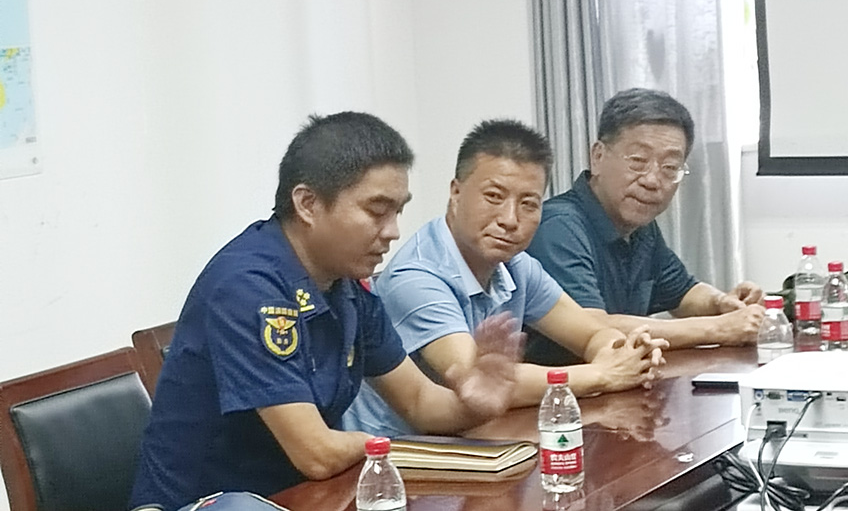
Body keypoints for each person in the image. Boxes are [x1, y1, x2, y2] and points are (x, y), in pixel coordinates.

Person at [130, 113, 524, 510]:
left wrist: (473, 402)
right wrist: (388, 447)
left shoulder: (344, 285)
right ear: (308, 204)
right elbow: (316, 454)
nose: (393, 231)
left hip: (307, 498)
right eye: (377, 210)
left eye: (398, 212)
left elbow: (419, 401)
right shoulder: (247, 287)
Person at [343, 119, 666, 438]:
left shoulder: (516, 265)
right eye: (494, 197)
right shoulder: (415, 276)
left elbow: (590, 332)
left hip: (476, 436)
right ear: (456, 193)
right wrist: (603, 374)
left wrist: (625, 353)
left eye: (528, 204)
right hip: (400, 451)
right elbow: (479, 380)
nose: (510, 220)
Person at [525, 88, 764, 366]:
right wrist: (720, 328)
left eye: (670, 167)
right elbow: (592, 326)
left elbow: (684, 294)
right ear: (598, 156)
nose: (652, 180)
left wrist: (723, 303)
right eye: (638, 161)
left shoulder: (639, 226)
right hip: (562, 387)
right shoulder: (558, 226)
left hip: (624, 381)